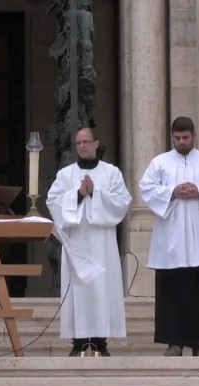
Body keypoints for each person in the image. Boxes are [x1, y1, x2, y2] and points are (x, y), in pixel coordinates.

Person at [139, 116, 199, 357]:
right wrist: (172, 191)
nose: (181, 142)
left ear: (194, 136)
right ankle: (175, 342)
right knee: (173, 291)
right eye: (177, 138)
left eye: (185, 138)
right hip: (171, 237)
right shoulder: (160, 163)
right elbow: (146, 188)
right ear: (172, 138)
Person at [46, 127, 131, 357]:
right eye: (78, 143)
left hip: (102, 243)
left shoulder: (111, 173)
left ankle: (100, 342)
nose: (82, 146)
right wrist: (78, 194)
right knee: (79, 289)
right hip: (77, 241)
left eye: (86, 142)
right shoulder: (66, 175)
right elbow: (53, 201)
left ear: (96, 143)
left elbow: (123, 201)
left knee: (102, 287)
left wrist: (95, 192)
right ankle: (79, 341)